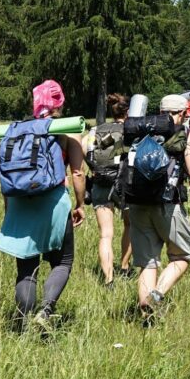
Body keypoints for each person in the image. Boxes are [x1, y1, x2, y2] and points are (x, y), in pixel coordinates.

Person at [0, 80, 86, 334]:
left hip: (20, 203)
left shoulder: (17, 130)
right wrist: (80, 204)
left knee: (26, 267)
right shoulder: (67, 131)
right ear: (59, 103)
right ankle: (45, 311)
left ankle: (21, 324)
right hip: (54, 203)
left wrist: (8, 207)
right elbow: (77, 172)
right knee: (62, 262)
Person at [125, 94, 190, 324]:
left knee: (148, 263)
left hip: (137, 203)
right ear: (183, 113)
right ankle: (156, 295)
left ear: (160, 111)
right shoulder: (182, 133)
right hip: (168, 204)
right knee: (182, 255)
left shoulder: (140, 130)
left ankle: (146, 318)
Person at [82, 93, 132, 287]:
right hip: (124, 183)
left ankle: (108, 279)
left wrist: (94, 168)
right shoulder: (130, 130)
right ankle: (125, 267)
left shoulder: (96, 130)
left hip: (100, 180)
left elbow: (83, 147)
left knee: (105, 234)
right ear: (128, 112)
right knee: (130, 225)